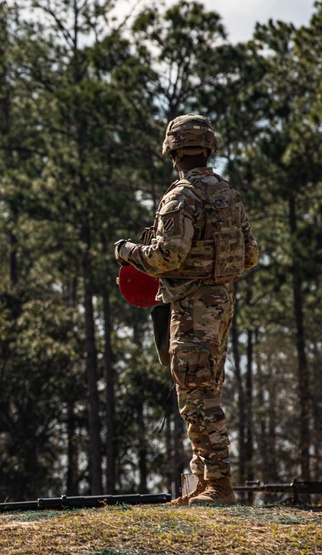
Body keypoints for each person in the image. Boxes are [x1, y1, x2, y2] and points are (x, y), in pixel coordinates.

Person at [114, 114, 258, 506]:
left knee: (197, 395)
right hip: (220, 303)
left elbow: (166, 257)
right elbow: (250, 255)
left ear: (173, 151)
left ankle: (219, 486)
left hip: (193, 308)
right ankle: (202, 484)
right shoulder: (229, 195)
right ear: (209, 148)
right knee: (203, 388)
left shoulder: (181, 197)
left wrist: (126, 251)